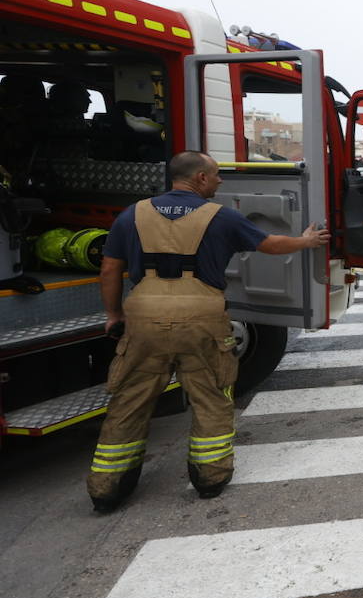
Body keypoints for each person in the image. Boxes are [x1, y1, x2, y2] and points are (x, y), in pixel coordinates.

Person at [88, 151, 328, 513]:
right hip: (201, 316)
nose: (219, 181)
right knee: (211, 397)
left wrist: (112, 314)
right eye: (215, 175)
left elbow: (109, 269)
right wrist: (306, 241)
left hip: (144, 317)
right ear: (199, 178)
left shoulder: (132, 214)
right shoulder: (221, 217)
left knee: (129, 400)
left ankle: (107, 488)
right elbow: (269, 245)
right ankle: (209, 479)